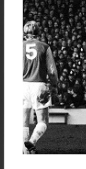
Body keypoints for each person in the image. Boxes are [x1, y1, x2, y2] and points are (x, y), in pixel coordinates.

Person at [21, 20, 59, 155]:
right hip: (39, 85)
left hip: (23, 85)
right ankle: (32, 141)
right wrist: (55, 84)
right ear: (38, 33)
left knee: (24, 122)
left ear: (24, 33)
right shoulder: (44, 46)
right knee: (43, 121)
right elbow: (52, 72)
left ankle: (26, 153)